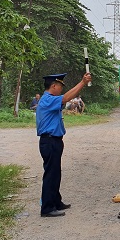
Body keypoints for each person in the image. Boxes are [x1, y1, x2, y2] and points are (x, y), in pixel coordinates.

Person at [36, 72, 92, 217]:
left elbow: (66, 98)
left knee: (55, 173)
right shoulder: (47, 99)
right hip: (49, 141)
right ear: (53, 86)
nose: (61, 89)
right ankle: (47, 208)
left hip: (54, 140)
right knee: (51, 174)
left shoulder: (51, 100)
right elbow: (67, 98)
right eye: (60, 86)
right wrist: (82, 83)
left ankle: (56, 201)